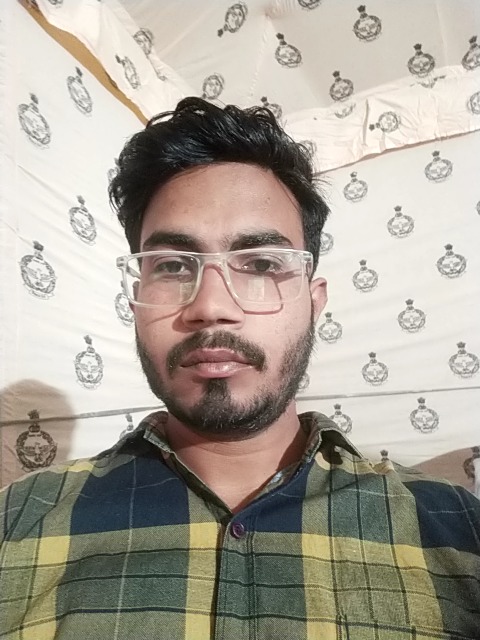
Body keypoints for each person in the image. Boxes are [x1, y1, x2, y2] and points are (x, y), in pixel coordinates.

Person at [1, 98, 479, 639]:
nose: (210, 306)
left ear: (314, 301)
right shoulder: (18, 520)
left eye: (260, 264)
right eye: (173, 265)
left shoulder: (456, 528)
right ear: (136, 297)